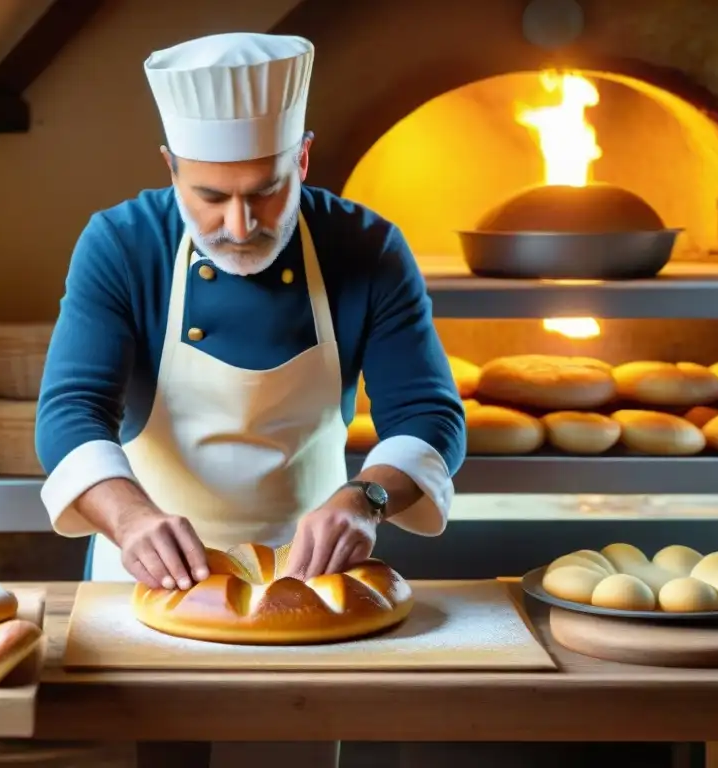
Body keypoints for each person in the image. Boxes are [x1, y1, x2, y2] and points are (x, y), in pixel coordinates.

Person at [35, 31, 466, 768]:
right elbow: (70, 412)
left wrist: (365, 497)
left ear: (301, 158)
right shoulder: (120, 244)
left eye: (266, 190)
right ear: (171, 169)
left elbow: (428, 414)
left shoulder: (368, 248)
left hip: (317, 580)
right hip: (149, 576)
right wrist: (131, 519)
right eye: (210, 197)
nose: (240, 226)